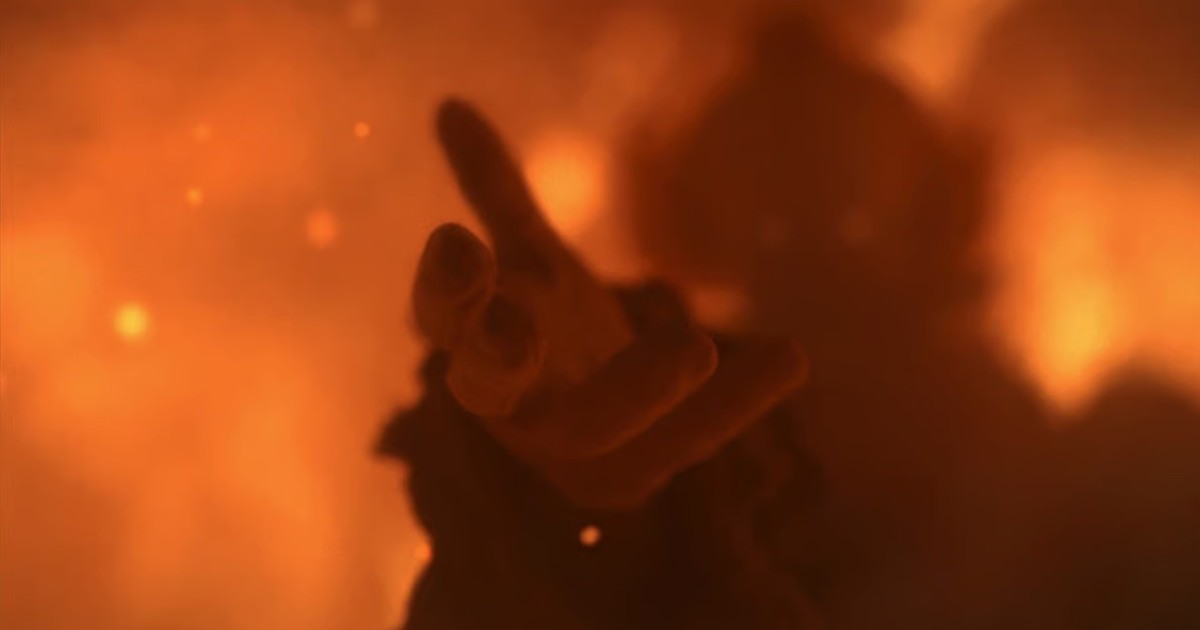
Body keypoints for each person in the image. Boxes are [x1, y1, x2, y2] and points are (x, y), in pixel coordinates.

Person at [378, 11, 1200, 629]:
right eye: (765, 118)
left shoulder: (1124, 482)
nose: (792, 49)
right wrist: (542, 516)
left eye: (839, 93)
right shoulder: (665, 483)